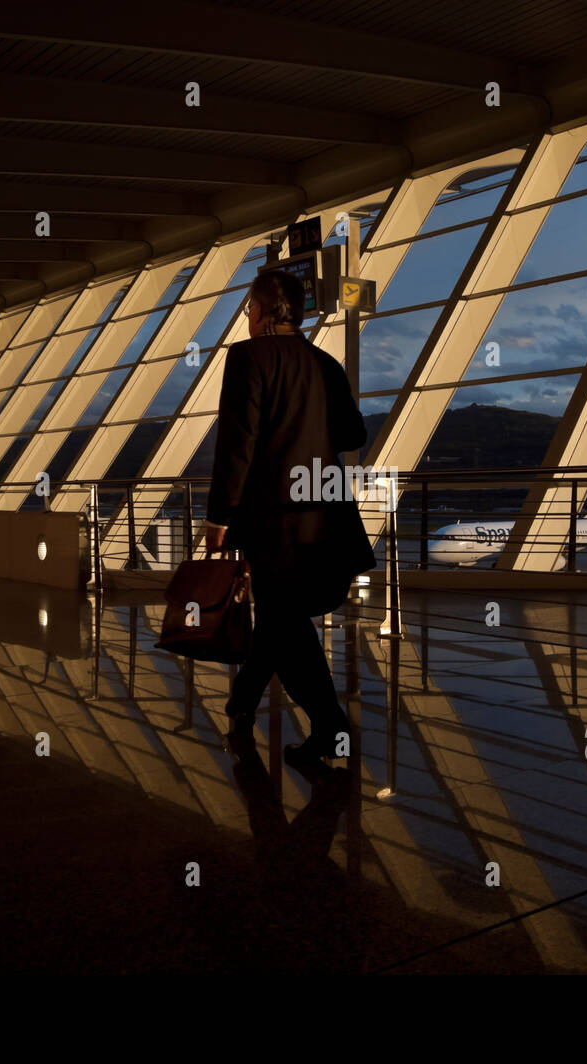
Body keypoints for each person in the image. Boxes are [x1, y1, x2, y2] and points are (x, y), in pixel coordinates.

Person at [205, 269, 375, 771]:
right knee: (283, 620)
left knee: (282, 621)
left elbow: (239, 444)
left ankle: (330, 726)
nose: (248, 318)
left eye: (249, 309)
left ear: (261, 311)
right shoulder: (325, 364)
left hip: (275, 522)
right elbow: (351, 434)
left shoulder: (247, 357)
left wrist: (220, 516)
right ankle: (242, 705)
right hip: (325, 521)